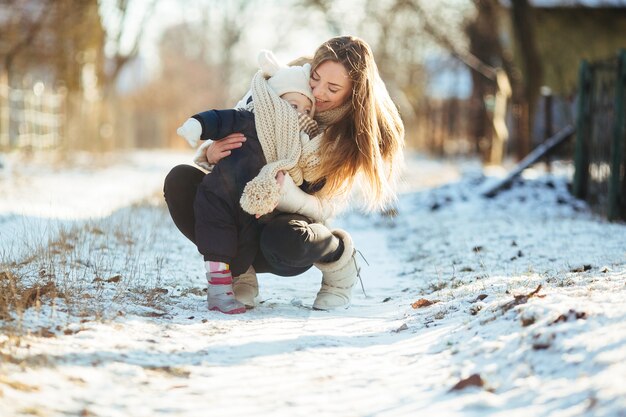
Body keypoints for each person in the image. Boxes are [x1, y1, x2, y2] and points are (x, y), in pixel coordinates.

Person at [163, 35, 405, 314]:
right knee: (181, 181)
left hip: (288, 233)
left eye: (333, 88)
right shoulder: (285, 79)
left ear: (353, 92)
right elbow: (242, 119)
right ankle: (239, 272)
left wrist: (288, 195)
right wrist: (211, 152)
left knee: (285, 239)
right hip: (245, 217)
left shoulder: (348, 136)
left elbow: (328, 206)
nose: (317, 92)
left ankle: (340, 259)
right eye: (315, 78)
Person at [175, 50, 321, 314]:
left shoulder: (305, 142)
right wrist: (199, 131)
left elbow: (313, 175)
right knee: (219, 239)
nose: (300, 114)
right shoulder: (250, 117)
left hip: (264, 215)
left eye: (306, 110)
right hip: (222, 196)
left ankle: (238, 278)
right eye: (293, 105)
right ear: (274, 100)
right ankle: (221, 289)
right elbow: (222, 119)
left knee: (244, 243)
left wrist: (287, 187)